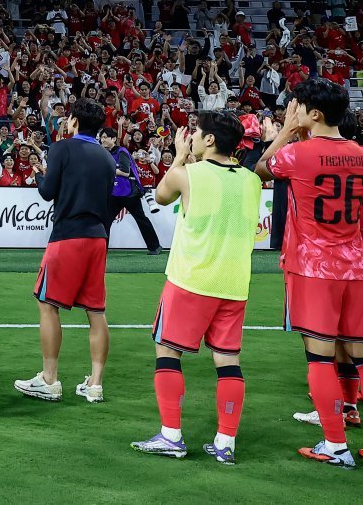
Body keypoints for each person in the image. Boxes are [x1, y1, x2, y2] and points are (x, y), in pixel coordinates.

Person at [258, 78, 363, 470]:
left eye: (298, 107)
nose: (294, 111)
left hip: (314, 268)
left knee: (319, 359)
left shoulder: (300, 152)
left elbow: (263, 169)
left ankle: (335, 445)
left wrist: (285, 130)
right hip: (357, 266)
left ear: (313, 113)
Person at [129, 111, 262, 463]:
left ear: (209, 140)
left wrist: (178, 156)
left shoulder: (186, 174)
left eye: (196, 133)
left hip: (191, 279)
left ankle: (172, 435)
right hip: (234, 284)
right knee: (229, 361)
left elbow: (160, 196)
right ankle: (225, 443)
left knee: (167, 351)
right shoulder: (251, 180)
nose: (191, 136)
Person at [14, 97, 115, 404]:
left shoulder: (62, 148)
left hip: (68, 235)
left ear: (73, 122)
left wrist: (40, 173)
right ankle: (95, 384)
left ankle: (49, 379)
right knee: (96, 312)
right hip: (98, 237)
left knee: (47, 304)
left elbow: (47, 193)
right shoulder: (107, 158)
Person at [103, 126, 161, 254]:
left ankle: (155, 246)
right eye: (102, 137)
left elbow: (125, 171)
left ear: (113, 139)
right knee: (105, 221)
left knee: (141, 219)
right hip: (114, 193)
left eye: (106, 137)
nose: (103, 140)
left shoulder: (121, 151)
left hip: (129, 193)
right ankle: (102, 249)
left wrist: (107, 171)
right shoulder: (105, 154)